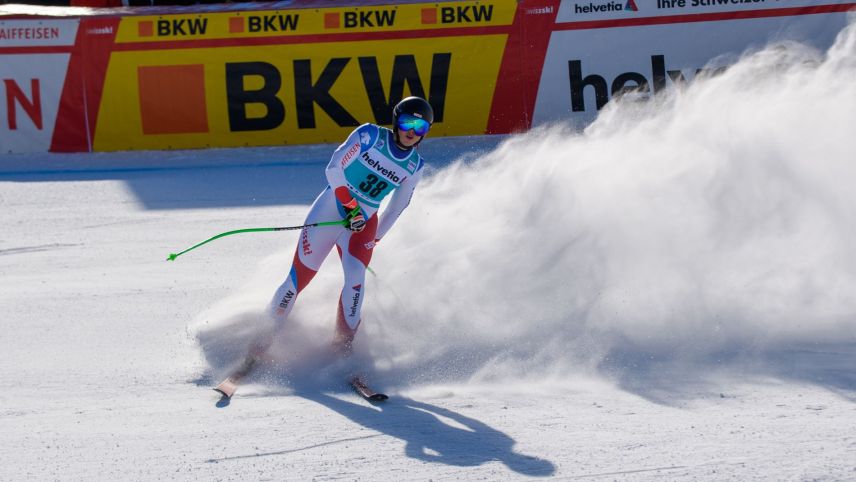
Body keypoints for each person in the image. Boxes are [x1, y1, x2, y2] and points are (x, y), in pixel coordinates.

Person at [258, 96, 433, 361]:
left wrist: (374, 238)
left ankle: (342, 347)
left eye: (420, 127)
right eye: (408, 123)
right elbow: (334, 168)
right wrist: (351, 206)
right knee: (299, 278)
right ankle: (262, 340)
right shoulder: (369, 136)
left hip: (363, 224)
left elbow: (396, 207)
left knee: (355, 282)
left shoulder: (414, 166)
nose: (412, 132)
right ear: (396, 121)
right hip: (331, 209)